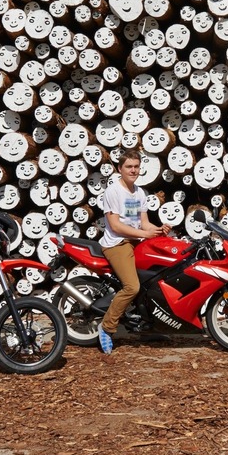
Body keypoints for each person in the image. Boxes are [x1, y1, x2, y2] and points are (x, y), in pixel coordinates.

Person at [96, 148, 169, 354]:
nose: (133, 170)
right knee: (132, 287)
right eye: (129, 166)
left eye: (136, 167)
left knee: (156, 279)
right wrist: (144, 235)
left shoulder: (139, 192)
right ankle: (107, 327)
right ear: (120, 168)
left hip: (136, 241)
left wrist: (158, 230)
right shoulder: (113, 192)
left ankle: (149, 326)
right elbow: (116, 226)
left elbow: (144, 223)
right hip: (117, 243)